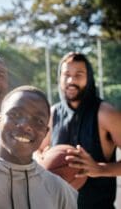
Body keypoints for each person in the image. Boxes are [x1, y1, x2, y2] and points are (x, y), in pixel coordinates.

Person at [0, 85, 78, 209]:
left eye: (38, 121)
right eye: (15, 114)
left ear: (46, 133)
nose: (25, 125)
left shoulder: (60, 191)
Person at [38, 52, 121, 209]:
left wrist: (101, 169)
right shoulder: (52, 113)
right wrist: (44, 159)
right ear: (59, 78)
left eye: (79, 74)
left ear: (89, 78)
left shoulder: (105, 114)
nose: (71, 80)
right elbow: (38, 151)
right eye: (66, 74)